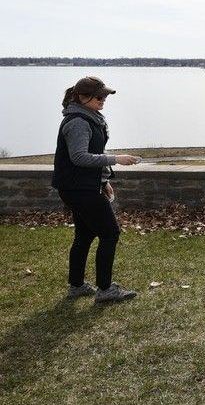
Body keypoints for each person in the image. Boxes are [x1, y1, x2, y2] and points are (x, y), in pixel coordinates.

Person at [52, 76, 142, 303]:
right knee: (110, 233)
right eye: (99, 96)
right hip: (78, 189)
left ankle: (76, 285)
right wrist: (116, 159)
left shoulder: (90, 118)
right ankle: (105, 289)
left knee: (85, 233)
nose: (104, 100)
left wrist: (104, 181)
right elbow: (79, 157)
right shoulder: (79, 122)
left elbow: (89, 156)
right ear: (83, 97)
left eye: (105, 96)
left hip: (81, 186)